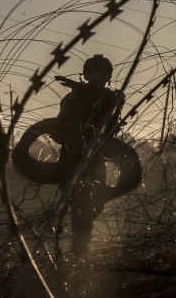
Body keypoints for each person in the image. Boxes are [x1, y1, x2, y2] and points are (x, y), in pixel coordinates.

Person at [53, 54, 125, 258]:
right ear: (86, 75)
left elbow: (110, 123)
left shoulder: (112, 98)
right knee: (78, 205)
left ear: (108, 76)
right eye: (93, 73)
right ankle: (79, 251)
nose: (97, 77)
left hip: (95, 157)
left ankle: (80, 248)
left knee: (93, 205)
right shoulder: (72, 98)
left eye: (102, 73)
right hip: (72, 158)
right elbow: (58, 131)